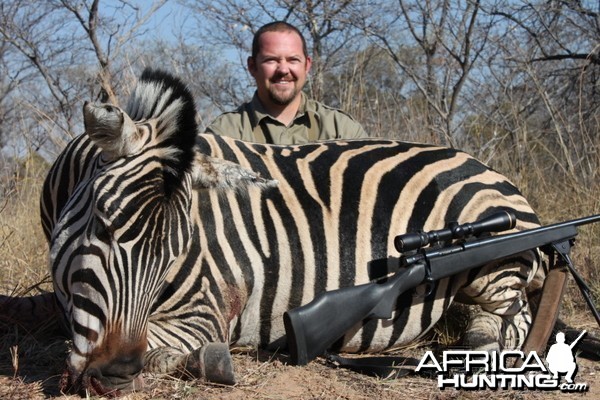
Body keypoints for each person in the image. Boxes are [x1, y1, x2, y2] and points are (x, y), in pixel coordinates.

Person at [206, 21, 368, 144]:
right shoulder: (224, 133)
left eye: (293, 60)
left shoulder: (341, 129)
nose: (283, 70)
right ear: (252, 66)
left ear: (307, 65)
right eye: (271, 60)